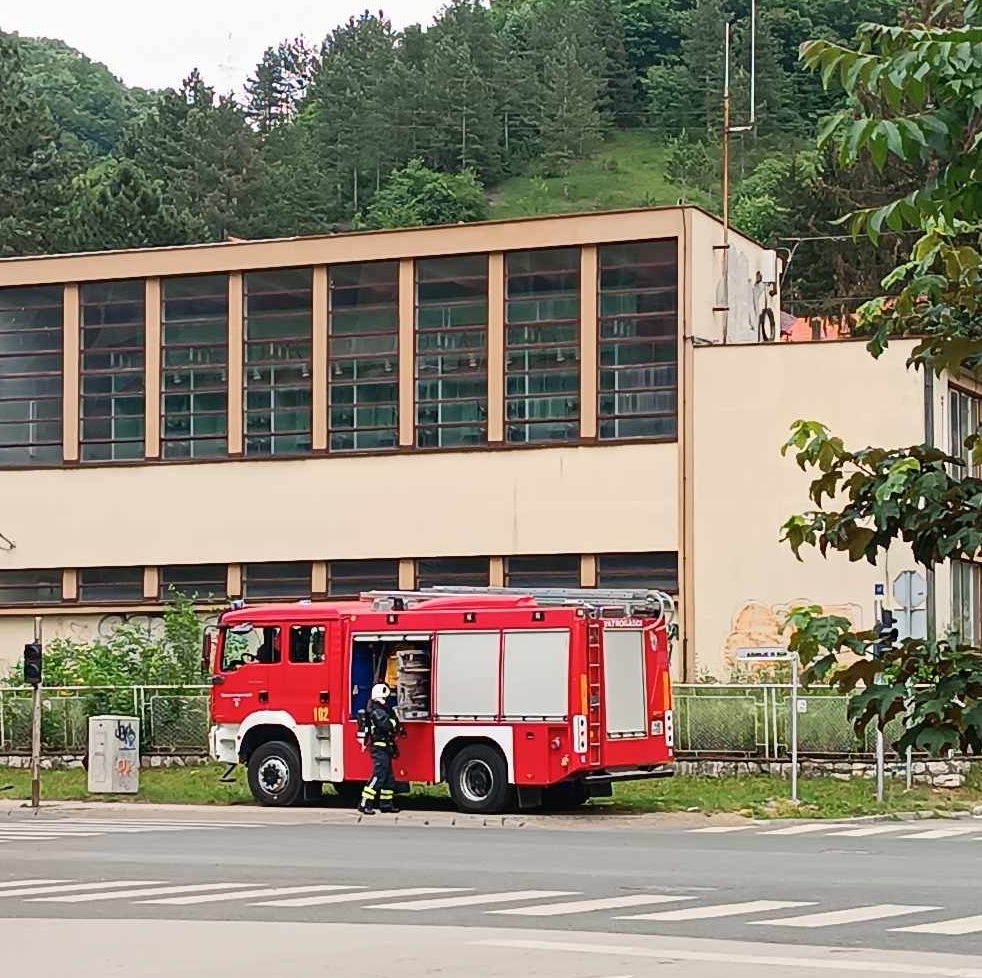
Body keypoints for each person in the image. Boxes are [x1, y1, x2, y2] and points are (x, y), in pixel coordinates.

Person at [359, 683, 403, 815]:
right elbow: (387, 725)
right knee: (379, 776)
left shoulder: (381, 710)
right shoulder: (377, 711)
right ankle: (365, 803)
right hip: (379, 748)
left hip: (386, 747)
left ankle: (386, 804)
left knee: (388, 778)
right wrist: (395, 722)